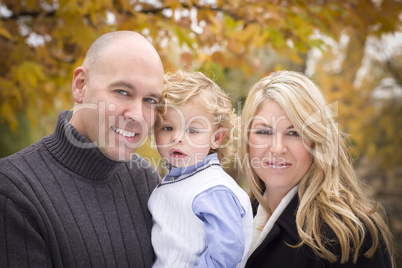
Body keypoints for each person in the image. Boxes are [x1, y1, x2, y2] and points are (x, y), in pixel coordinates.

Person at [0, 31, 165, 267]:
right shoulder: (13, 191)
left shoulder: (146, 181)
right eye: (122, 92)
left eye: (150, 100)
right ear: (80, 85)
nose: (137, 115)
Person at [239, 70, 394, 267]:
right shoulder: (234, 216)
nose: (277, 148)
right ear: (247, 140)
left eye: (294, 132)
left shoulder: (348, 235)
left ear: (317, 142)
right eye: (264, 131)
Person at [148, 70, 253, 267]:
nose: (177, 138)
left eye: (192, 130)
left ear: (216, 138)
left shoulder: (213, 188)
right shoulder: (177, 182)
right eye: (168, 128)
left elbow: (226, 252)